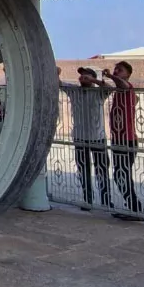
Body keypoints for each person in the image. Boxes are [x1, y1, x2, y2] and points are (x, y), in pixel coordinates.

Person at [61, 67, 113, 211]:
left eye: (86, 75)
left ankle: (106, 200)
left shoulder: (99, 92)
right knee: (83, 170)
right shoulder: (74, 91)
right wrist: (57, 72)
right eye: (82, 75)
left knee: (101, 170)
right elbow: (58, 83)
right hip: (80, 137)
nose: (83, 77)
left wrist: (94, 81)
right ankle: (87, 199)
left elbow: (110, 88)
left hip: (98, 137)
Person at [103, 61, 143, 221]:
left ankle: (135, 209)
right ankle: (133, 208)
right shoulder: (120, 92)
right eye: (115, 69)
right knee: (121, 174)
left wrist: (110, 76)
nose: (116, 72)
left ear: (127, 74)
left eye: (120, 70)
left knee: (122, 174)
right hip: (118, 139)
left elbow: (122, 84)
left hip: (126, 140)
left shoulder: (127, 87)